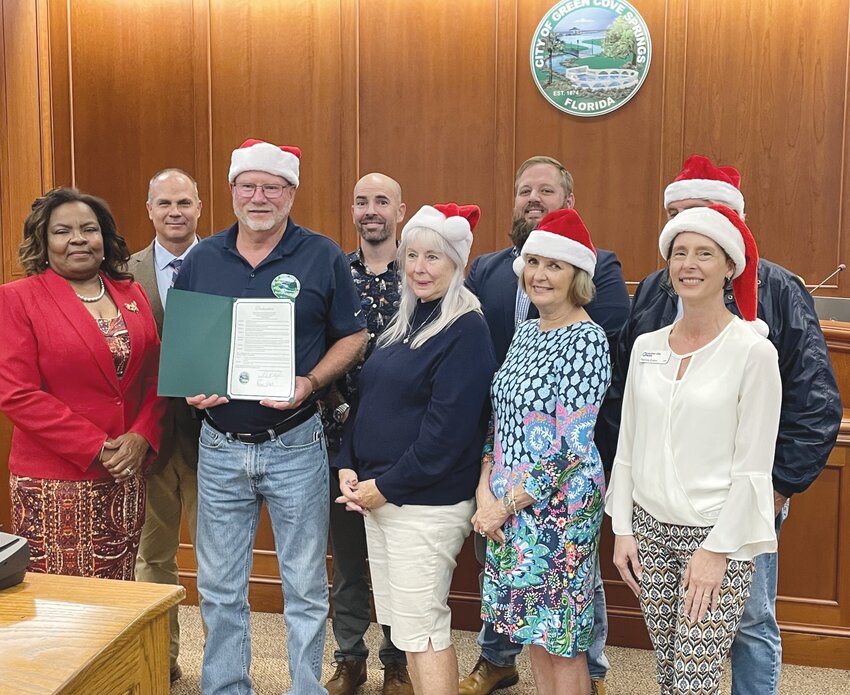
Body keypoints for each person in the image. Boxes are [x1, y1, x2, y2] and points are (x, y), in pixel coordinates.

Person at [597, 155, 842, 695]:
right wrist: (624, 519)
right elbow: (632, 418)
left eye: (703, 241)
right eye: (677, 236)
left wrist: (772, 496)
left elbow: (815, 405)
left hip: (735, 514)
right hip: (655, 520)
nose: (688, 255)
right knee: (673, 661)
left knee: (747, 629)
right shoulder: (654, 310)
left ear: (730, 245)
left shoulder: (774, 302)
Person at [174, 138, 368, 695]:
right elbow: (188, 344)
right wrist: (194, 386)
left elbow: (354, 334)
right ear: (232, 191)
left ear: (291, 193)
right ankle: (226, 687)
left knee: (305, 586)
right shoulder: (204, 258)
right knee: (218, 585)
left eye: (273, 187)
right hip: (219, 444)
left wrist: (310, 381)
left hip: (295, 443)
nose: (260, 197)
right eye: (248, 186)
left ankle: (304, 688)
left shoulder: (322, 254)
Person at [463, 155, 629, 695]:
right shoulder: (528, 331)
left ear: (577, 275)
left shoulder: (586, 338)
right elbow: (500, 413)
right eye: (533, 264)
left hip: (556, 510)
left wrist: (503, 504)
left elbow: (572, 445)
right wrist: (487, 483)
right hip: (508, 501)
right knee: (532, 635)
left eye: (554, 266)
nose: (540, 275)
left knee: (561, 644)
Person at [606, 204, 782, 694]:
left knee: (693, 683)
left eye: (705, 253)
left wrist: (716, 552)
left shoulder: (753, 352)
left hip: (716, 538)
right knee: (669, 672)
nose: (689, 264)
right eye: (679, 252)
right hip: (648, 533)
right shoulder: (647, 346)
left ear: (729, 266)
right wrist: (623, 528)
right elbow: (628, 446)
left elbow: (753, 468)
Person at [335, 203, 497, 695]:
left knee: (424, 630)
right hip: (383, 499)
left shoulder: (466, 329)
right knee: (406, 629)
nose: (420, 268)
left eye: (434, 257)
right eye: (413, 256)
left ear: (456, 265)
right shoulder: (404, 324)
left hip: (423, 505)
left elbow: (446, 437)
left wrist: (382, 488)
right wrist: (347, 464)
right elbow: (367, 404)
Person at [0, 187, 165, 580]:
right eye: (62, 231)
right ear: (43, 240)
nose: (77, 239)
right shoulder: (16, 299)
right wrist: (96, 447)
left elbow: (156, 377)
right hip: (55, 482)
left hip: (126, 472)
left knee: (120, 589)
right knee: (64, 606)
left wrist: (141, 436)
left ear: (104, 239)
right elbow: (16, 393)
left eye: (88, 229)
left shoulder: (132, 293)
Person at [321, 173, 412, 695]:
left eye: (382, 201)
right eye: (361, 201)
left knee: (399, 561)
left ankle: (397, 662)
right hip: (339, 439)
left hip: (403, 446)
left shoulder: (421, 272)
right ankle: (349, 658)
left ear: (400, 211)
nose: (371, 210)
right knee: (350, 559)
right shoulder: (335, 271)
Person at [130, 168, 203, 683]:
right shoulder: (120, 271)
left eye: (184, 202)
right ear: (150, 209)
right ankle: (165, 659)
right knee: (152, 558)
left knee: (218, 564)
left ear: (199, 207)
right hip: (149, 440)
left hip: (213, 439)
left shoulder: (223, 260)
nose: (174, 212)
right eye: (165, 203)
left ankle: (223, 662)